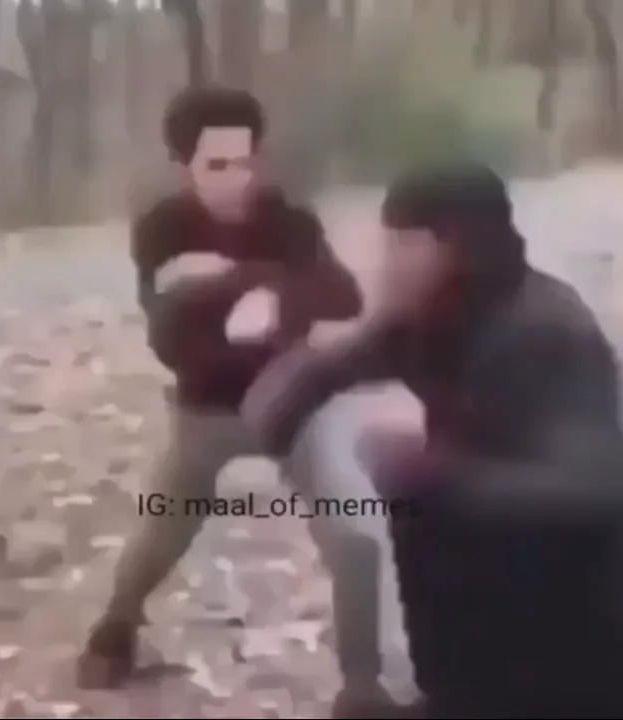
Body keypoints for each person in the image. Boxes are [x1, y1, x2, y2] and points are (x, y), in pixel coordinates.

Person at [242, 163, 623, 718]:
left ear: (457, 248)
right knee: (425, 516)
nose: (386, 264)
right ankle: (454, 697)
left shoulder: (547, 331)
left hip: (572, 601)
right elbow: (338, 363)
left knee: (430, 504)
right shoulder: (433, 315)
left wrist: (431, 473)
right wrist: (282, 409)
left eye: (403, 245)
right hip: (483, 558)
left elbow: (594, 490)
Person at [76, 85, 396, 714]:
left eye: (245, 162)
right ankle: (116, 628)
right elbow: (172, 340)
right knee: (162, 529)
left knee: (356, 534)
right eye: (216, 165)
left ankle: (362, 687)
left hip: (294, 402)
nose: (235, 180)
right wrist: (256, 291)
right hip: (206, 411)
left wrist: (265, 293)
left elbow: (344, 296)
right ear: (184, 166)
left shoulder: (288, 222)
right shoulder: (163, 229)